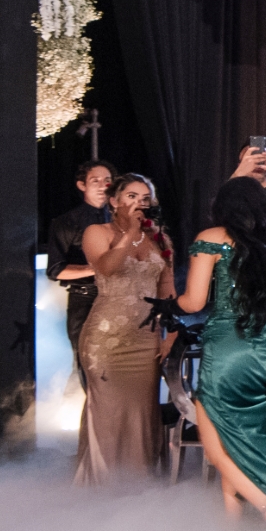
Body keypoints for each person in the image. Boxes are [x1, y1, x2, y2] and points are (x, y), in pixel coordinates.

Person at [176, 177, 266, 523]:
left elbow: (194, 302)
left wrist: (169, 302)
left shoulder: (211, 240)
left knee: (216, 446)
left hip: (227, 352)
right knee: (263, 439)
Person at [73, 172, 174, 485]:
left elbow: (167, 291)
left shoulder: (161, 239)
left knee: (142, 414)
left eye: (145, 198)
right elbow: (106, 267)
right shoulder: (97, 231)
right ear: (114, 201)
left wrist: (172, 332)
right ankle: (104, 488)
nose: (139, 203)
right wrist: (130, 232)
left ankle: (139, 486)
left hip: (146, 340)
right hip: (106, 340)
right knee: (108, 411)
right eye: (131, 196)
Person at [48, 159, 116, 349]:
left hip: (121, 298)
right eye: (95, 181)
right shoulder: (66, 223)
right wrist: (97, 268)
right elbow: (56, 270)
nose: (103, 186)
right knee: (89, 363)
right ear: (82, 185)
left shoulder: (122, 219)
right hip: (86, 299)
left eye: (108, 180)